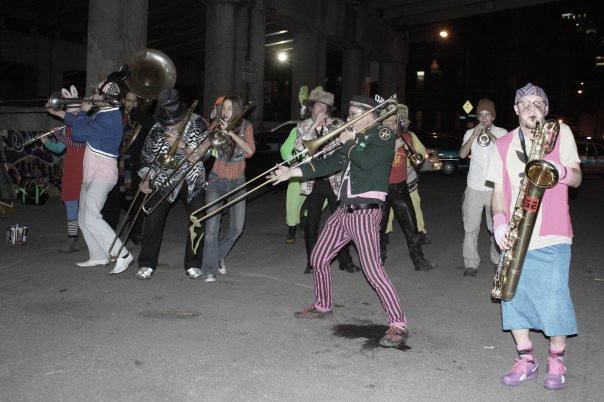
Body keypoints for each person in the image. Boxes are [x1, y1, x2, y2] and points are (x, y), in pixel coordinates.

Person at [269, 95, 408, 347]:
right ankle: (323, 305)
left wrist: (350, 141)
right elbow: (327, 164)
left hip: (365, 212)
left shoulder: (382, 136)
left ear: (369, 115)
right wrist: (292, 172)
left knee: (373, 271)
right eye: (349, 113)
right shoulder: (354, 139)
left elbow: (365, 162)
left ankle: (398, 324)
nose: (348, 118)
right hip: (343, 211)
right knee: (319, 258)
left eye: (354, 113)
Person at [487, 83, 581, 390]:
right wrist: (499, 224)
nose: (531, 107)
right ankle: (526, 359)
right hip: (516, 233)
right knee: (513, 298)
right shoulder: (502, 144)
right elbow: (498, 192)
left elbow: (577, 177)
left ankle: (556, 361)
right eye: (525, 103)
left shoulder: (560, 134)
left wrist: (560, 171)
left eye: (538, 102)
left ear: (546, 108)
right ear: (515, 109)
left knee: (554, 301)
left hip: (552, 233)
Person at [46, 71, 133, 274]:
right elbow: (77, 123)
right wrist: (57, 113)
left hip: (102, 174)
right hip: (92, 173)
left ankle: (123, 254)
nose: (92, 96)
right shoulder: (103, 114)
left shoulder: (109, 119)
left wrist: (83, 111)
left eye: (96, 93)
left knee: (92, 216)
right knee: (83, 217)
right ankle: (99, 256)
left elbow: (78, 133)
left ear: (105, 98)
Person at [135, 89, 211, 280]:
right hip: (165, 178)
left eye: (174, 121)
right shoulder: (158, 127)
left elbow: (207, 154)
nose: (172, 125)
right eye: (168, 122)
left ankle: (193, 263)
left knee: (198, 219)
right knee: (152, 217)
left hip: (192, 178)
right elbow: (147, 157)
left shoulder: (197, 122)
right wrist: (145, 178)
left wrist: (184, 145)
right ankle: (146, 263)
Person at [294, 88, 360, 274]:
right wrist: (314, 125)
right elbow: (300, 148)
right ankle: (312, 262)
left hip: (334, 179)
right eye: (317, 105)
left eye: (325, 106)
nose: (321, 109)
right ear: (311, 108)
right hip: (313, 180)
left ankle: (345, 261)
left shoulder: (336, 124)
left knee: (341, 222)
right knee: (311, 223)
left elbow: (344, 146)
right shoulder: (302, 126)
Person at [201, 95, 256, 282]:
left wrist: (231, 133)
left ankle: (216, 256)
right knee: (211, 228)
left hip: (238, 182)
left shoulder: (246, 127)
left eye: (230, 108)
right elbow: (206, 147)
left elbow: (250, 151)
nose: (225, 112)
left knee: (236, 229)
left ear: (238, 110)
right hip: (216, 181)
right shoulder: (216, 124)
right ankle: (208, 269)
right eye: (223, 108)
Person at [379, 104, 436, 271]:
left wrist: (412, 158)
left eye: (394, 122)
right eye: (387, 123)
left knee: (411, 226)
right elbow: (372, 162)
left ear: (398, 122)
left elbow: (417, 158)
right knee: (379, 228)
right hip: (382, 188)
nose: (391, 126)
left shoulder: (407, 137)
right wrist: (390, 148)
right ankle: (378, 262)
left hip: (401, 187)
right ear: (382, 124)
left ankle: (419, 260)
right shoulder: (377, 140)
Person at [459, 99, 508, 276]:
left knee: (496, 227)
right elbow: (462, 154)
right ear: (478, 117)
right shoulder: (470, 132)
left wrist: (493, 137)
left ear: (493, 117)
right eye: (481, 115)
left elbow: (507, 154)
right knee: (470, 227)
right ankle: (471, 263)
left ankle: (497, 259)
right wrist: (473, 136)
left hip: (495, 188)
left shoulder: (502, 133)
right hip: (474, 186)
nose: (484, 118)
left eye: (488, 115)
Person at [42, 85, 86, 253]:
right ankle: (72, 239)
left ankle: (92, 238)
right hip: (71, 172)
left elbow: (78, 142)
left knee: (87, 207)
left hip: (86, 171)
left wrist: (60, 135)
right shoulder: (67, 127)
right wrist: (46, 142)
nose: (74, 115)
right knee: (71, 205)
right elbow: (60, 149)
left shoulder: (87, 125)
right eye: (71, 112)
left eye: (77, 112)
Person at [120, 90, 155, 244]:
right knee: (123, 199)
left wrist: (135, 112)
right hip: (120, 162)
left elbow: (151, 126)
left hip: (137, 163)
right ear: (123, 101)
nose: (132, 103)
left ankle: (136, 232)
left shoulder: (141, 117)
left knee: (137, 199)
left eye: (135, 101)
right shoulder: (118, 116)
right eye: (129, 100)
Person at [280, 126, 306, 244]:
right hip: (299, 168)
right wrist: (293, 161)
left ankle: (305, 219)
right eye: (317, 106)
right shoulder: (297, 129)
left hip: (319, 169)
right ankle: (292, 228)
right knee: (293, 199)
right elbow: (285, 149)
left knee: (324, 197)